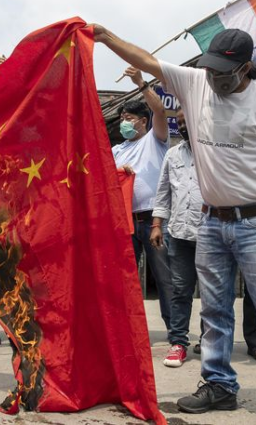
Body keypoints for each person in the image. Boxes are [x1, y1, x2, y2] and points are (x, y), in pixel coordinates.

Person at [93, 25, 256, 425]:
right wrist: (107, 38)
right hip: (210, 223)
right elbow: (146, 60)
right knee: (213, 311)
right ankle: (219, 385)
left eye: (224, 73)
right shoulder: (196, 83)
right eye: (211, 70)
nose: (215, 78)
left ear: (245, 69)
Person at [151, 108, 256, 368]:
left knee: (213, 292)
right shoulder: (173, 154)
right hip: (179, 233)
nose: (183, 127)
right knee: (180, 290)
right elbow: (163, 192)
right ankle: (178, 343)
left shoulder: (218, 151)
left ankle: (208, 339)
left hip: (213, 233)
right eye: (178, 123)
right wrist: (157, 224)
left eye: (187, 121)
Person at [112, 67, 172, 331]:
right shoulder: (116, 150)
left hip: (154, 220)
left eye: (129, 117)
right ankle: (127, 330)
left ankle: (175, 330)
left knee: (165, 277)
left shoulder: (156, 140)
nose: (125, 122)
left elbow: (160, 111)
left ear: (143, 121)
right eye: (122, 118)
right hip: (125, 223)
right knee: (123, 279)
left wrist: (141, 83)